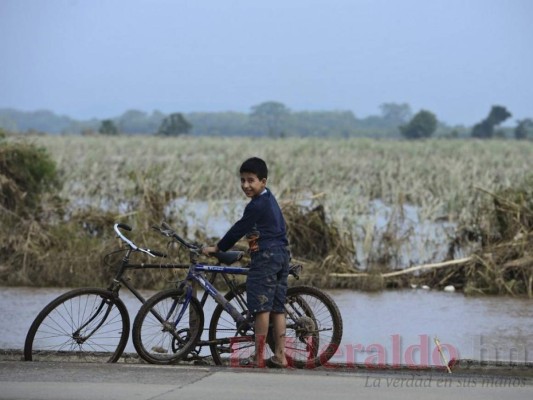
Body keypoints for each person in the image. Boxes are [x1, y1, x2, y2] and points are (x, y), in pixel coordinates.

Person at [202, 157, 290, 368]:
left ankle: (258, 356)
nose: (245, 185)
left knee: (261, 308)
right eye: (242, 180)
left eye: (251, 180)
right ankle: (280, 356)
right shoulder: (270, 198)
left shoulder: (257, 205)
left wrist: (219, 247)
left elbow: (240, 228)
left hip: (266, 257)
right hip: (282, 254)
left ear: (263, 181)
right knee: (278, 308)